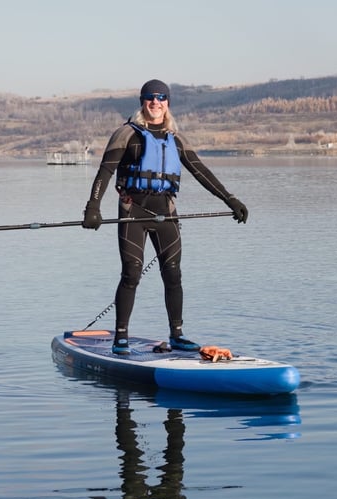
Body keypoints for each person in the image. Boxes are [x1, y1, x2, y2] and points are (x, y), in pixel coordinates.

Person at [82, 79, 248, 355]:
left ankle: (177, 335)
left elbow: (201, 172)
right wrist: (93, 207)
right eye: (150, 97)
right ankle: (120, 337)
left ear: (168, 103)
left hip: (166, 213)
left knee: (173, 274)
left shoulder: (176, 138)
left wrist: (230, 199)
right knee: (131, 273)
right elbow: (105, 172)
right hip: (132, 212)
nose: (155, 102)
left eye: (161, 97)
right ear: (142, 101)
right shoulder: (126, 134)